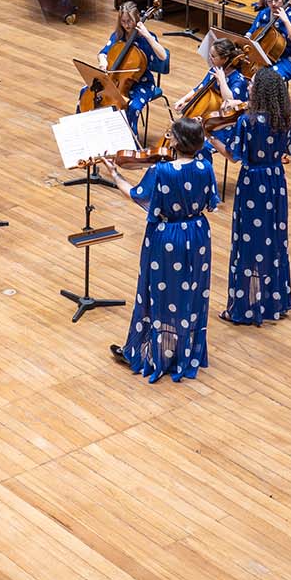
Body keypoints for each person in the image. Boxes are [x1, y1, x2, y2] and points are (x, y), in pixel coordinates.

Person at [102, 117, 217, 382]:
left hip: (168, 237)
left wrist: (115, 173)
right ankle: (186, 352)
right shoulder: (206, 166)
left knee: (157, 292)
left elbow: (136, 194)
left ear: (176, 141)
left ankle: (153, 352)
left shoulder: (162, 172)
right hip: (199, 234)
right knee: (192, 291)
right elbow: (211, 203)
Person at [208, 67, 291, 325]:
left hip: (252, 183)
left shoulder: (248, 121)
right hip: (276, 181)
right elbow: (288, 151)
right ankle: (276, 302)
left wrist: (210, 137)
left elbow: (233, 155)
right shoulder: (285, 118)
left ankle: (244, 308)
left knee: (248, 244)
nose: (247, 87)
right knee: (274, 239)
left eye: (252, 84)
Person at [77, 1, 169, 141]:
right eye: (123, 21)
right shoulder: (117, 36)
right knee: (86, 91)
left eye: (129, 21)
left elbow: (163, 56)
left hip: (142, 83)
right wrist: (103, 62)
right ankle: (85, 136)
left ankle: (129, 143)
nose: (126, 25)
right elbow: (103, 53)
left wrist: (147, 35)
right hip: (116, 79)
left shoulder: (146, 38)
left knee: (132, 106)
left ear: (137, 18)